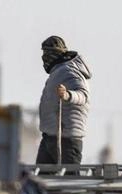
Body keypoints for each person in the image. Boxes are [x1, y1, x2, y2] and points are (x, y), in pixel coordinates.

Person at [35, 36, 91, 166]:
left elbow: (83, 95)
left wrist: (68, 95)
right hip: (50, 137)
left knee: (69, 181)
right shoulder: (58, 71)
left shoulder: (69, 70)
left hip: (66, 139)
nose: (44, 58)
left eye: (46, 53)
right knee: (41, 180)